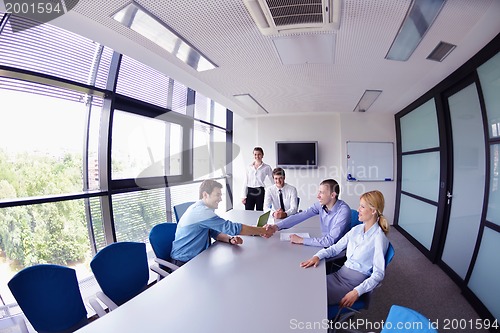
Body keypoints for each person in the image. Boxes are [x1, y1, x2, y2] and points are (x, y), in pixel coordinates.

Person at [300, 190, 390, 308]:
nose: (358, 210)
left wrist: (356, 292)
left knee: (310, 298)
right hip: (339, 275)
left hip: (351, 285)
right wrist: (318, 256)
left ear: (373, 211)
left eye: (362, 207)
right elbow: (335, 248)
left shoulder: (379, 238)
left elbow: (378, 274)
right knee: (305, 285)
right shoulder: (357, 229)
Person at [170, 179, 275, 266]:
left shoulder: (203, 209)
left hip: (198, 259)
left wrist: (230, 239)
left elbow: (214, 232)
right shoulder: (201, 211)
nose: (220, 199)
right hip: (183, 262)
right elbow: (232, 228)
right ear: (205, 195)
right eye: (217, 195)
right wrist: (262, 230)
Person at [265, 179, 350, 247]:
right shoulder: (320, 205)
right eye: (318, 192)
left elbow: (330, 241)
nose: (318, 196)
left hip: (336, 248)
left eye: (322, 192)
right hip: (323, 244)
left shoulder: (343, 211)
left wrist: (301, 240)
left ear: (332, 195)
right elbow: (300, 216)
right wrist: (276, 227)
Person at [241, 147, 273, 211]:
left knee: (260, 211)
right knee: (248, 212)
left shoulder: (267, 167)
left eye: (259, 154)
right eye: (255, 154)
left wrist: (273, 193)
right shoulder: (248, 167)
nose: (257, 156)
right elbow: (245, 181)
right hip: (250, 191)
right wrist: (243, 196)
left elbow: (272, 180)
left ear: (262, 155)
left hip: (260, 191)